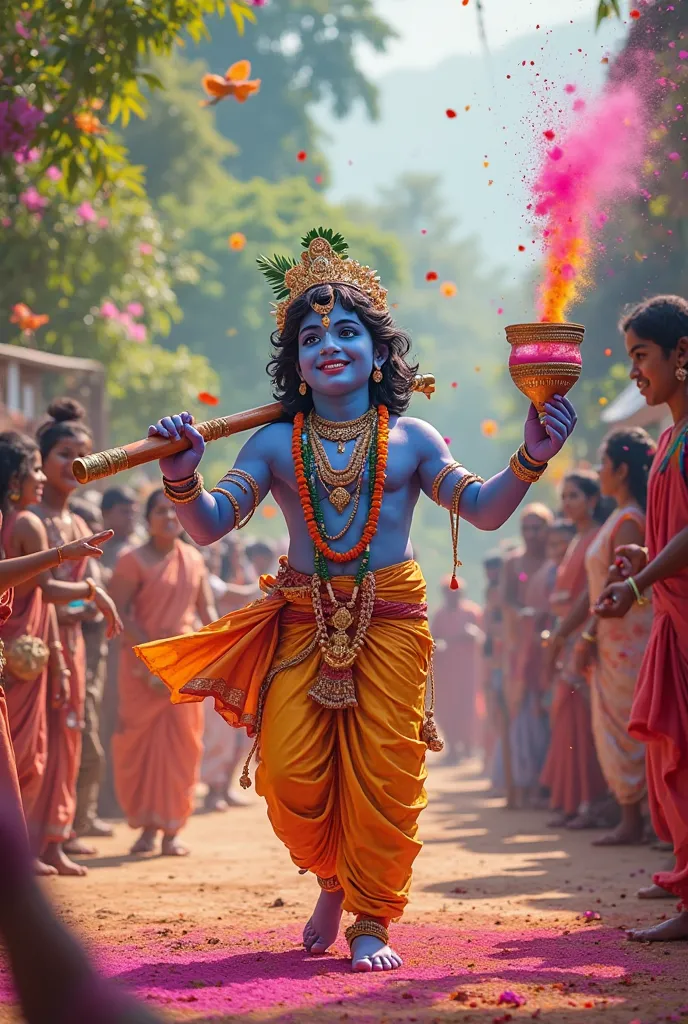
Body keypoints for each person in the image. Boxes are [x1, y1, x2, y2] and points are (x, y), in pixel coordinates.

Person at [135, 229, 576, 970]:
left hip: (395, 622)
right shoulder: (274, 445)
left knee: (386, 773)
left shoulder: (411, 438)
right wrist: (182, 475)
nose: (329, 345)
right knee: (289, 771)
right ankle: (334, 879)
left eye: (347, 331)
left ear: (379, 356)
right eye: (311, 337)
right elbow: (209, 528)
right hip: (303, 619)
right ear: (297, 366)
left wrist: (532, 455)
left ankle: (372, 917)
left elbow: (487, 510)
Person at [595, 295, 688, 940]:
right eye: (631, 357)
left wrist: (638, 580)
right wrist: (648, 555)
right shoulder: (667, 439)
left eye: (641, 356)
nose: (635, 371)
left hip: (676, 614)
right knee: (666, 755)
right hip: (669, 614)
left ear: (682, 355)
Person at [31, 400, 122, 876]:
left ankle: (53, 838)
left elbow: (92, 592)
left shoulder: (80, 524)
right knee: (33, 742)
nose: (76, 464)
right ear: (42, 461)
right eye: (65, 453)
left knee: (70, 737)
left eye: (84, 454)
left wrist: (86, 602)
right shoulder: (28, 520)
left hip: (75, 641)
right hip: (33, 642)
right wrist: (85, 597)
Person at [109, 489, 217, 856]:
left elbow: (207, 613)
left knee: (183, 748)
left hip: (184, 670)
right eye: (160, 511)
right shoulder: (131, 561)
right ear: (148, 518)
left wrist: (220, 652)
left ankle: (172, 831)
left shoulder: (193, 560)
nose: (169, 517)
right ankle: (145, 830)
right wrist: (152, 664)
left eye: (175, 511)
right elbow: (121, 614)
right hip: (141, 671)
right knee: (137, 748)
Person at [575, 428, 656, 846]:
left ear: (621, 471)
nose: (598, 472)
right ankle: (633, 816)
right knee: (617, 723)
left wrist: (586, 637)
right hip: (614, 636)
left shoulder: (628, 522)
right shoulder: (620, 516)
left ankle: (638, 818)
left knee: (627, 725)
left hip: (626, 638)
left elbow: (618, 586)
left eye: (603, 465)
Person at [540, 471, 607, 828]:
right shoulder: (576, 540)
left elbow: (588, 595)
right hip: (567, 636)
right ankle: (572, 801)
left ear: (593, 500)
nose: (567, 503)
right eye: (564, 497)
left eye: (575, 496)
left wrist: (565, 636)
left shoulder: (596, 537)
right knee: (567, 719)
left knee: (581, 718)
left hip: (583, 636)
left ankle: (589, 802)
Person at [500, 504, 553, 809]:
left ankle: (549, 785)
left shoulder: (557, 558)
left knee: (548, 712)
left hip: (551, 645)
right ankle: (523, 784)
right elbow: (507, 600)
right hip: (521, 648)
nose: (532, 534)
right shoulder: (513, 562)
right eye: (527, 528)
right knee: (521, 712)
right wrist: (523, 616)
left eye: (538, 527)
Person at [67, 497, 113, 845]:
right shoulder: (70, 562)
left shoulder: (97, 564)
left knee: (89, 743)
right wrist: (88, 604)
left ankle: (82, 818)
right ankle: (67, 826)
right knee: (78, 744)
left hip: (92, 656)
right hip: (66, 654)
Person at [431, 577, 483, 764]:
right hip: (446, 674)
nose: (453, 597)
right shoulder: (439, 615)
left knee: (469, 709)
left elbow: (483, 637)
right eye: (449, 593)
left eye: (456, 593)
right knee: (447, 710)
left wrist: (473, 635)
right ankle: (452, 747)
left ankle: (468, 747)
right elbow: (432, 640)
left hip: (469, 672)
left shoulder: (472, 612)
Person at [481, 553, 505, 793]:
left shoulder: (508, 593)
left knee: (506, 719)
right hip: (494, 663)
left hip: (507, 663)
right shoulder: (491, 594)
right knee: (496, 716)